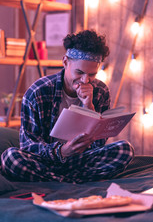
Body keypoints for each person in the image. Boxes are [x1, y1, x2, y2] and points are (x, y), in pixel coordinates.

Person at [1, 30, 134, 183]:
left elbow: (98, 145)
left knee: (125, 149)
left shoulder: (100, 91)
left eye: (92, 74)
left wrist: (88, 106)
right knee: (11, 158)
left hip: (81, 162)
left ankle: (58, 182)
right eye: (79, 72)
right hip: (46, 162)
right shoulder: (38, 91)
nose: (85, 80)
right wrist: (62, 152)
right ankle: (72, 182)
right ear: (65, 62)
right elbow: (29, 146)